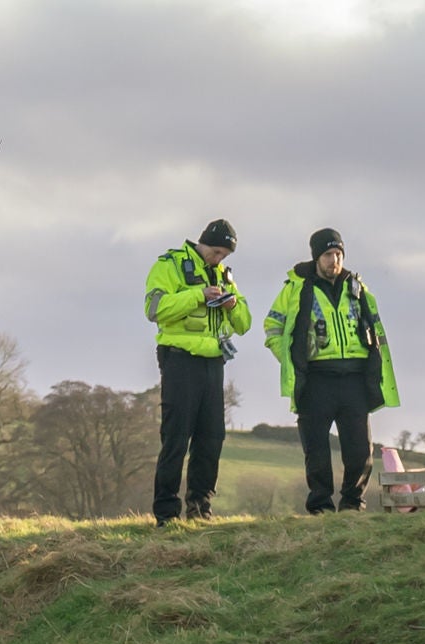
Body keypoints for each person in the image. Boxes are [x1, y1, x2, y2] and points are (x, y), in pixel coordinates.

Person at [264, 229, 399, 512]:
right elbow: (272, 328)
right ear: (316, 256)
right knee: (316, 450)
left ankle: (353, 503)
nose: (334, 260)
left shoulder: (358, 287)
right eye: (328, 254)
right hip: (315, 379)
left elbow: (374, 327)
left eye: (339, 254)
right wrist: (290, 359)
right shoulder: (295, 288)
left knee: (360, 450)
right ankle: (320, 506)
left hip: (354, 378)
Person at [145, 219, 251, 524]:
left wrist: (231, 304)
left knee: (212, 437)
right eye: (216, 252)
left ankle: (200, 508)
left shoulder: (225, 275)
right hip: (180, 360)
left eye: (224, 256)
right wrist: (198, 295)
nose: (218, 259)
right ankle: (166, 513)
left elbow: (244, 324)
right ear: (204, 243)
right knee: (176, 438)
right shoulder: (170, 264)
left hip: (214, 363)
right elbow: (155, 310)